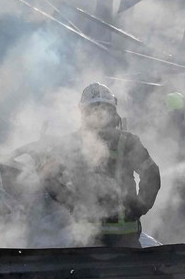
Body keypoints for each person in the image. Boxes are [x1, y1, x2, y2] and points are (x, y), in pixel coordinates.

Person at [39, 82, 161, 247]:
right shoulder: (128, 142)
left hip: (88, 239)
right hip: (125, 239)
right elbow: (151, 174)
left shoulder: (72, 142)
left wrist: (72, 202)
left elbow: (47, 174)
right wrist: (138, 207)